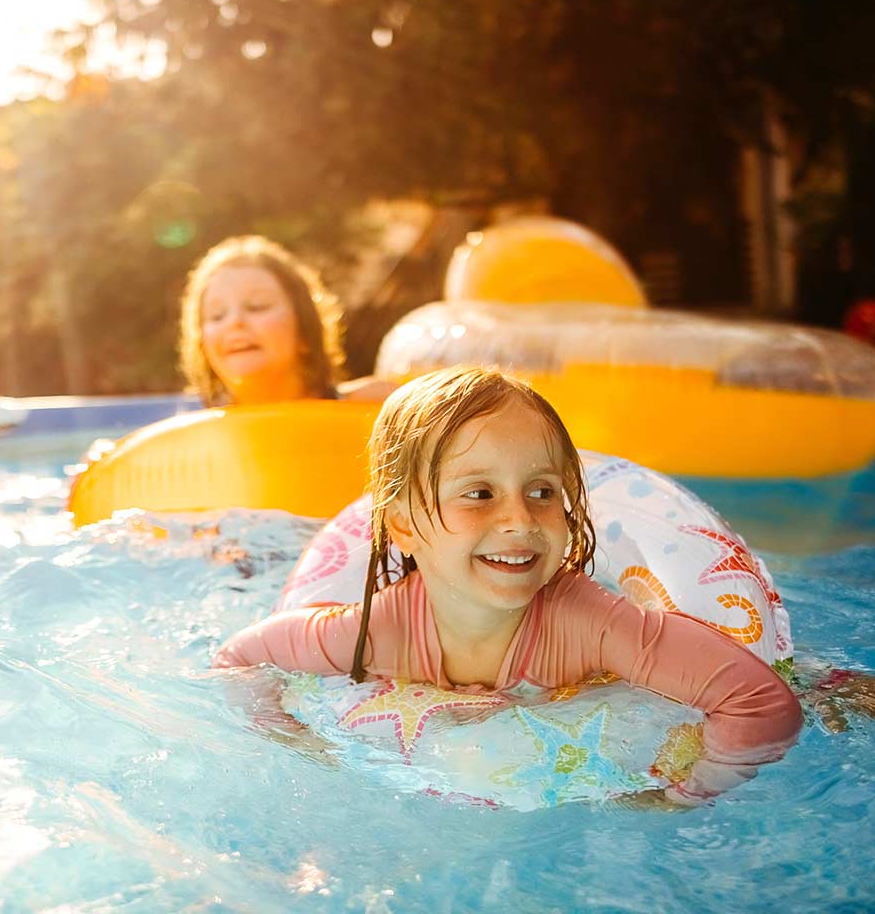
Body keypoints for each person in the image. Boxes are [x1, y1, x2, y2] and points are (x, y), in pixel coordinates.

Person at [215, 366, 804, 805]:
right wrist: (297, 745)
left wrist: (679, 798)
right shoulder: (374, 632)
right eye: (479, 494)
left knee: (827, 689)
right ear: (402, 524)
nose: (520, 521)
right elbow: (239, 658)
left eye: (543, 492)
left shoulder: (591, 622)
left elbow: (760, 703)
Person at [178, 236, 396, 407]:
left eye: (257, 306)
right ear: (201, 345)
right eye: (217, 315)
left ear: (304, 330)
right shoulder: (187, 443)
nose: (234, 322)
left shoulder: (376, 405)